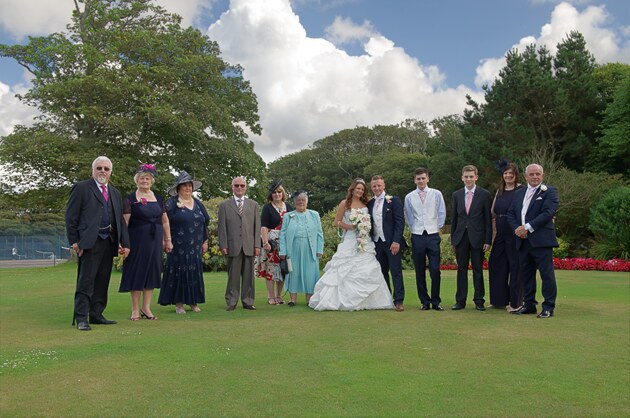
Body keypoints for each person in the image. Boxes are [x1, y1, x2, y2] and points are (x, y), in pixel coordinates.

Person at [65, 156, 130, 331]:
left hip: (109, 242)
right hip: (89, 242)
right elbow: (71, 217)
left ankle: (96, 314)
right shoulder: (81, 188)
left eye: (106, 169)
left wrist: (126, 243)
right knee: (86, 280)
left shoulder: (115, 193)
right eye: (99, 168)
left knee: (103, 280)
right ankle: (81, 318)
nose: (102, 171)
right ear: (93, 170)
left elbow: (120, 221)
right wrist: (75, 241)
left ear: (110, 172)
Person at [309, 180, 393, 311]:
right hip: (350, 239)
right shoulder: (345, 203)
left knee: (368, 268)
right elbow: (337, 221)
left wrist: (364, 227)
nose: (360, 191)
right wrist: (350, 226)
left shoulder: (367, 203)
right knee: (344, 269)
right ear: (352, 189)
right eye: (358, 189)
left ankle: (370, 301)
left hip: (364, 239)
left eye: (362, 189)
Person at [119, 163, 172, 321]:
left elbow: (165, 221)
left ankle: (146, 308)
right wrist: (123, 242)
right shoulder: (130, 199)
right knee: (136, 271)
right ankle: (135, 309)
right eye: (142, 178)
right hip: (137, 240)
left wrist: (167, 240)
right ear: (137, 181)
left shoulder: (159, 198)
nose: (145, 181)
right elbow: (125, 223)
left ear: (152, 181)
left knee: (152, 272)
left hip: (155, 240)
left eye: (147, 178)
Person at [507, 163, 559, 318]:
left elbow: (548, 213)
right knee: (526, 274)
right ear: (526, 176)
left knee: (546, 274)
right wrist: (518, 229)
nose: (535, 177)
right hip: (522, 240)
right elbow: (511, 214)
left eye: (538, 174)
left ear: (542, 176)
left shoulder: (549, 192)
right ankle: (529, 304)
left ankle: (548, 307)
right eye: (532, 174)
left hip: (541, 240)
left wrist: (527, 227)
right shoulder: (519, 193)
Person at [158, 171, 209, 314]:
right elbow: (163, 222)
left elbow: (205, 222)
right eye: (184, 186)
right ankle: (179, 304)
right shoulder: (171, 204)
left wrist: (205, 240)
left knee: (194, 273)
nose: (188, 188)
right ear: (178, 188)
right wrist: (165, 240)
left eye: (190, 185)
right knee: (179, 273)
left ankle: (193, 302)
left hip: (195, 246)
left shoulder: (198, 204)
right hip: (177, 246)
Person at [450, 165, 492, 311]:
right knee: (461, 269)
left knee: (477, 270)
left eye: (471, 176)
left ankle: (479, 300)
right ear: (462, 178)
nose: (468, 179)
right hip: (461, 237)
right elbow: (454, 219)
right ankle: (460, 301)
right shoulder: (456, 194)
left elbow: (488, 219)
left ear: (476, 177)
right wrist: (453, 239)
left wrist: (488, 240)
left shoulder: (484, 194)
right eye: (466, 176)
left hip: (478, 238)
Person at [404, 167, 446, 311]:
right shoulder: (409, 197)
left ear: (428, 178)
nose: (421, 181)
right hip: (417, 235)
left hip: (433, 234)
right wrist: (415, 229)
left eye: (423, 178)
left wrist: (437, 227)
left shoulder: (436, 194)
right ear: (414, 180)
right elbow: (409, 217)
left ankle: (436, 301)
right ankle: (424, 301)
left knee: (435, 270)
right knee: (419, 270)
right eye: (418, 178)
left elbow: (441, 212)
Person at [218, 176, 261, 311]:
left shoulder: (253, 205)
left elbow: (257, 227)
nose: (239, 188)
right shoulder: (224, 205)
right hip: (232, 245)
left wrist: (257, 245)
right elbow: (222, 227)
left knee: (249, 277)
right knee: (233, 277)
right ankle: (231, 301)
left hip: (249, 245)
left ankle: (248, 301)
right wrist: (223, 244)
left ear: (246, 187)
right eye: (236, 185)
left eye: (242, 185)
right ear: (232, 187)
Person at [488, 160, 523, 312]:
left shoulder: (521, 189)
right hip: (500, 233)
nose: (508, 175)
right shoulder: (499, 191)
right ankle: (498, 300)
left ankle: (515, 303)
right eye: (506, 173)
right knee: (496, 265)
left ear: (515, 175)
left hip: (515, 233)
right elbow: (493, 212)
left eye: (511, 173)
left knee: (515, 267)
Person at [368, 175, 406, 311]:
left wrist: (396, 241)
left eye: (379, 185)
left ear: (384, 186)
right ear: (371, 188)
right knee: (382, 272)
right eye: (374, 186)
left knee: (396, 271)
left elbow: (400, 222)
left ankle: (399, 300)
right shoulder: (370, 203)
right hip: (377, 243)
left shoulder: (393, 201)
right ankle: (387, 298)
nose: (377, 188)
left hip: (391, 242)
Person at [279, 192, 324, 307]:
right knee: (293, 272)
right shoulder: (288, 216)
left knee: (310, 273)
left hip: (310, 248)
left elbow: (319, 233)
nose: (301, 202)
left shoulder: (314, 215)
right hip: (293, 248)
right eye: (298, 200)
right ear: (294, 202)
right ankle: (292, 299)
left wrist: (320, 249)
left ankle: (309, 299)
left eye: (303, 200)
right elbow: (283, 234)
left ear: (307, 201)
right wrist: (283, 251)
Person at [257, 180, 293, 305]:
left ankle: (279, 296)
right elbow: (264, 227)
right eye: (274, 193)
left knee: (283, 269)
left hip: (285, 242)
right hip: (271, 242)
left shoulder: (288, 207)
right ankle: (271, 297)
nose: (277, 195)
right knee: (271, 270)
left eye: (279, 192)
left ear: (283, 193)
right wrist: (265, 242)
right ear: (271, 195)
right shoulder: (267, 208)